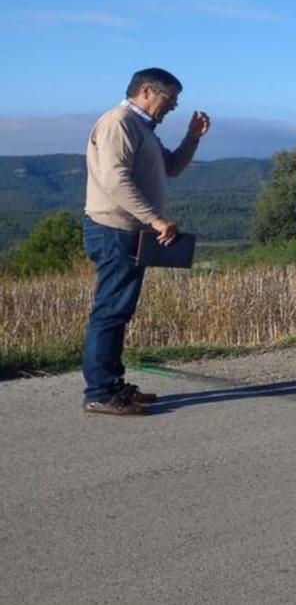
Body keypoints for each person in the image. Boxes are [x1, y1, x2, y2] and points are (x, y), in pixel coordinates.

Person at [82, 68, 211, 415]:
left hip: (127, 231)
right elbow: (115, 180)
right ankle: (100, 393)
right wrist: (154, 218)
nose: (173, 106)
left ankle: (111, 386)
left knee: (118, 311)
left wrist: (192, 138)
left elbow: (171, 167)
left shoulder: (142, 129)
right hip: (114, 230)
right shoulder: (118, 123)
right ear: (145, 91)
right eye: (169, 98)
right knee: (110, 312)